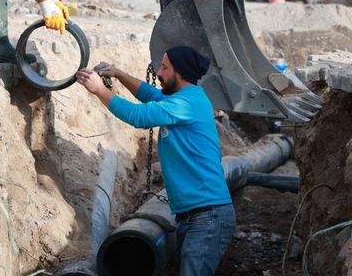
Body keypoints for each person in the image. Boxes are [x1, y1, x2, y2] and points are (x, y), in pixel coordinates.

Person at [76, 46, 235, 276]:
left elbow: (139, 116)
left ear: (179, 73)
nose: (159, 72)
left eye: (164, 67)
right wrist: (118, 73)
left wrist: (100, 90)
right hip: (197, 216)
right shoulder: (186, 97)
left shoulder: (187, 103)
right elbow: (152, 95)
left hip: (207, 218)